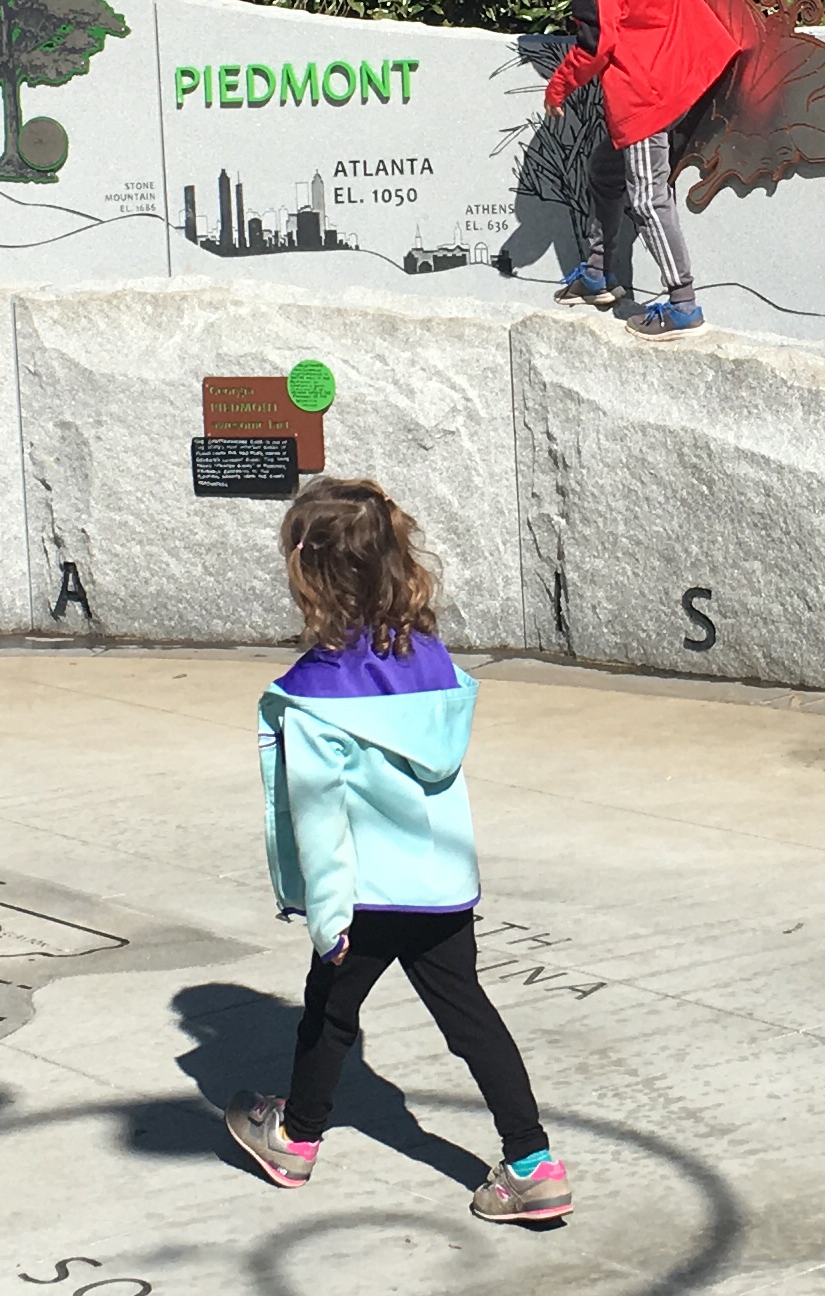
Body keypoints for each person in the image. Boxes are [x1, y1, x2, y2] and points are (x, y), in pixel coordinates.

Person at [228, 478, 571, 1224]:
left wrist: (326, 916)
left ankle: (295, 1137)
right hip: (441, 886)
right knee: (470, 1018)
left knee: (328, 1013)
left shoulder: (315, 694)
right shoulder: (433, 665)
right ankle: (532, 1161)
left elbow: (319, 819)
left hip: (364, 893)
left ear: (308, 574)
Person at [536, 0, 743, 336]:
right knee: (604, 169)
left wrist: (559, 85)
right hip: (685, 77)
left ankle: (683, 304)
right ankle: (598, 271)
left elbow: (595, 45)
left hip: (645, 97)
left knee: (649, 199)